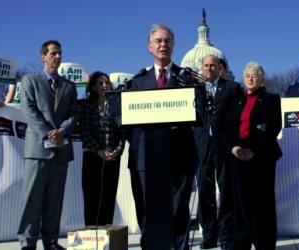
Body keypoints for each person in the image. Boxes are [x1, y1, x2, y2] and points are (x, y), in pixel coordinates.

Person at [127, 23, 198, 250]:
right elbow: (127, 125)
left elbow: (199, 115)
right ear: (150, 47)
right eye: (158, 41)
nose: (163, 45)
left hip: (180, 157)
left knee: (178, 210)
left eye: (167, 41)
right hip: (146, 159)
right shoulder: (137, 82)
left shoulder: (187, 79)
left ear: (174, 46)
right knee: (148, 211)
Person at [17, 40, 79, 250]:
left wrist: (61, 132)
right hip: (38, 150)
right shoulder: (29, 81)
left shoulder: (69, 86)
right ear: (43, 56)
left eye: (60, 53)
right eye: (53, 53)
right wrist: (49, 134)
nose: (57, 57)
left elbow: (74, 114)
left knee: (55, 201)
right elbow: (29, 110)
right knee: (32, 200)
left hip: (61, 150)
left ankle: (51, 241)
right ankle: (28, 242)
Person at [228, 61, 282, 250]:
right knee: (242, 203)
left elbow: (273, 127)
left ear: (262, 79)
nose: (250, 78)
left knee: (263, 203)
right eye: (247, 76)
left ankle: (264, 244)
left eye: (254, 75)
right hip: (239, 156)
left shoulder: (271, 99)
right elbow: (230, 128)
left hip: (262, 156)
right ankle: (242, 243)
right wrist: (233, 147)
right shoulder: (237, 101)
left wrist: (254, 150)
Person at [194, 54, 242, 249]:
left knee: (227, 190)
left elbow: (238, 118)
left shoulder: (232, 88)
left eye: (213, 65)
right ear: (201, 68)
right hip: (202, 146)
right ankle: (209, 234)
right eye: (205, 65)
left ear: (220, 68)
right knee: (205, 192)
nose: (209, 69)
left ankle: (226, 234)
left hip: (225, 147)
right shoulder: (194, 89)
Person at [80, 71, 125, 226]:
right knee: (92, 196)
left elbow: (122, 132)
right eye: (100, 83)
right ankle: (91, 234)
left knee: (109, 195)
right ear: (93, 87)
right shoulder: (87, 105)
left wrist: (117, 151)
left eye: (107, 83)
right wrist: (99, 151)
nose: (104, 86)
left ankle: (107, 233)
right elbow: (85, 131)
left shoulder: (116, 104)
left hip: (112, 157)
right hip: (93, 156)